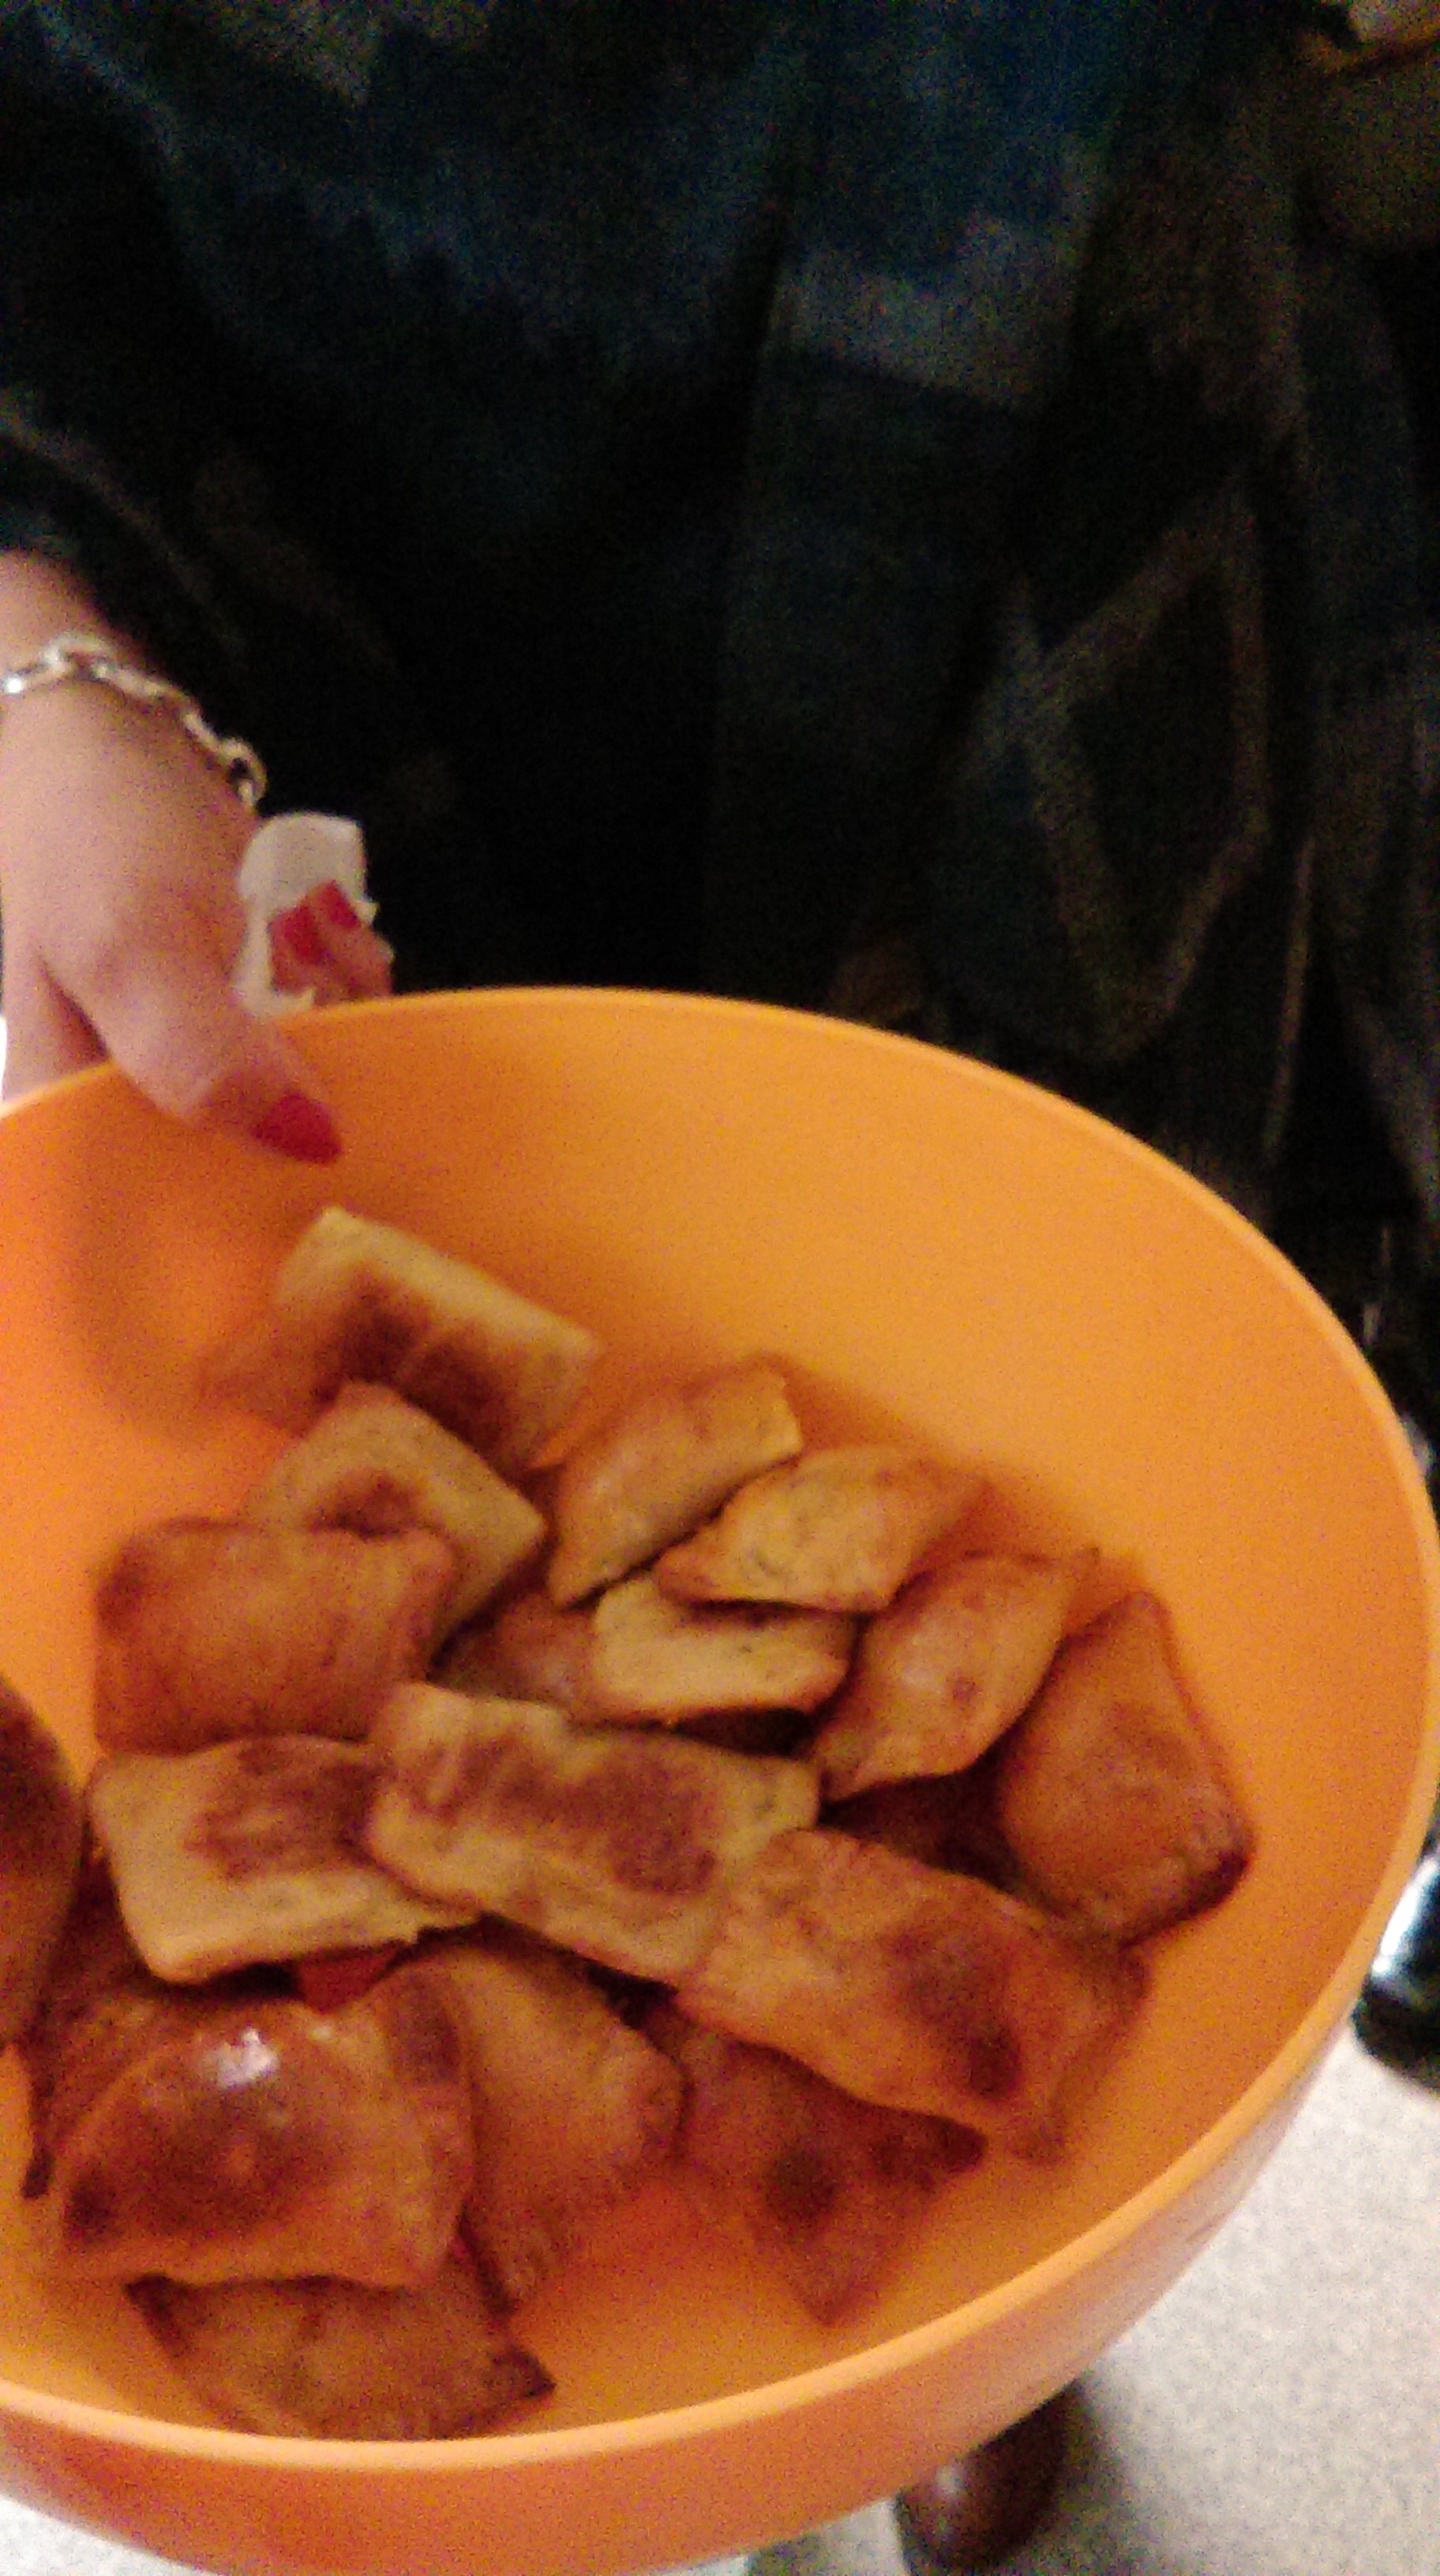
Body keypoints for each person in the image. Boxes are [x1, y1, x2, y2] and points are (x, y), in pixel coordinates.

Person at [0, 4, 1436, 2565]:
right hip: (260, 550)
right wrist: (24, 647)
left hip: (1071, 472)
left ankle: (945, 2287)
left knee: (1076, 1335)